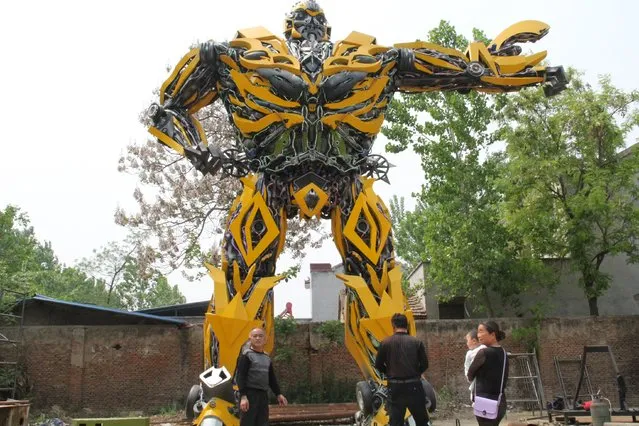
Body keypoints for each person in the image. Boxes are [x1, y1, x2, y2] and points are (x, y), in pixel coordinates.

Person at [374, 313, 429, 426]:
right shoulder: (416, 343)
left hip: (395, 387)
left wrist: (388, 372)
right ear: (407, 326)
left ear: (393, 326)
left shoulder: (385, 343)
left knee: (396, 422)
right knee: (421, 421)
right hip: (414, 386)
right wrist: (415, 373)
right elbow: (425, 364)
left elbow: (378, 365)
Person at [236, 328, 288, 426]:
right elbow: (240, 377)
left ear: (265, 339)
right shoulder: (247, 356)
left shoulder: (266, 358)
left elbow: (271, 378)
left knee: (262, 423)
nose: (258, 338)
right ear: (250, 338)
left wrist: (278, 394)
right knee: (248, 423)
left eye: (260, 336)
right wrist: (243, 397)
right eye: (255, 336)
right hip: (249, 395)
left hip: (263, 396)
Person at [467, 321, 509, 426]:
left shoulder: (484, 353)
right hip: (500, 402)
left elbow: (470, 374)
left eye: (481, 331)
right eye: (478, 332)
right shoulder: (504, 353)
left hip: (485, 402)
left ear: (493, 334)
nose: (478, 335)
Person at [464, 330, 486, 402]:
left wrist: (469, 377)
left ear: (474, 341)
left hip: (477, 381)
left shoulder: (481, 350)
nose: (466, 343)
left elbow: (468, 368)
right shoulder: (485, 349)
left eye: (467, 341)